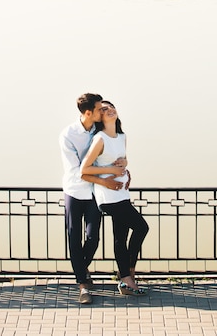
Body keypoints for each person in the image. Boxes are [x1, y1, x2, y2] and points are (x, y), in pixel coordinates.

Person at [59, 92, 126, 304]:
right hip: (75, 191)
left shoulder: (99, 131)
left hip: (94, 194)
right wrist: (107, 179)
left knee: (93, 238)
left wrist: (124, 169)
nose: (102, 111)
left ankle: (81, 268)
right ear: (88, 112)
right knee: (74, 237)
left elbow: (112, 152)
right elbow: (79, 170)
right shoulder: (68, 135)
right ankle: (83, 285)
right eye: (99, 109)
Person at [80, 100, 149, 296]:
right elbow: (85, 170)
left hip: (122, 192)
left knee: (121, 237)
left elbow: (121, 161)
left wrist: (126, 167)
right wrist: (110, 174)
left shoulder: (122, 136)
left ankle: (126, 281)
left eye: (111, 107)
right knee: (142, 227)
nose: (109, 110)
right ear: (99, 117)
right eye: (103, 109)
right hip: (108, 194)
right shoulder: (99, 138)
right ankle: (128, 274)